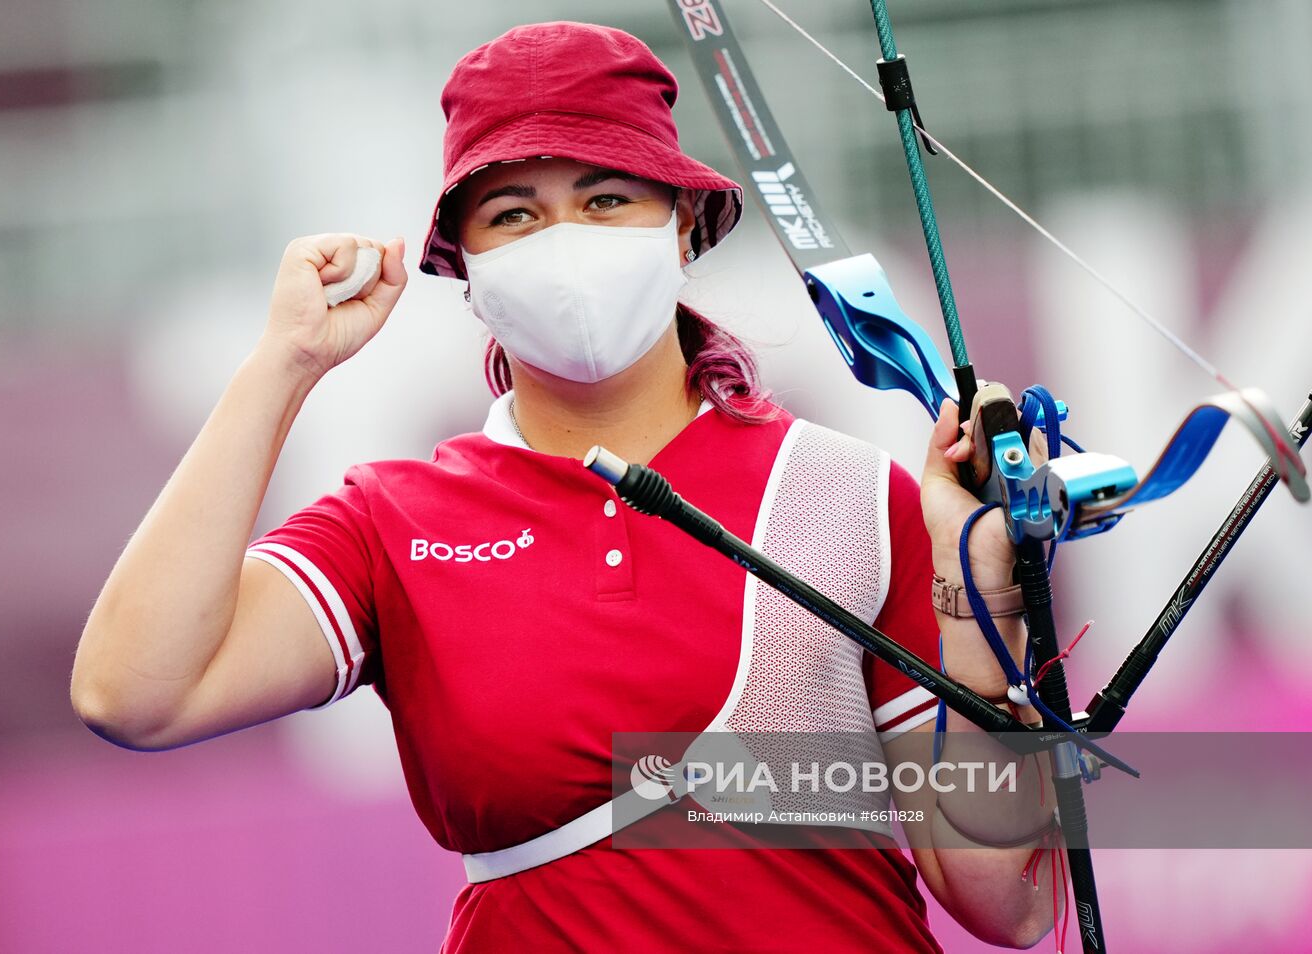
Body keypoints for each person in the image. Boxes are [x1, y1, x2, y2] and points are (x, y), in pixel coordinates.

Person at [72, 21, 1061, 953]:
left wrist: (983, 595)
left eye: (603, 200)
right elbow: (131, 692)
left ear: (681, 228)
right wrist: (282, 364)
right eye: (513, 215)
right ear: (465, 268)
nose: (563, 240)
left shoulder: (847, 492)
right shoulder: (390, 521)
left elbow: (1003, 901)